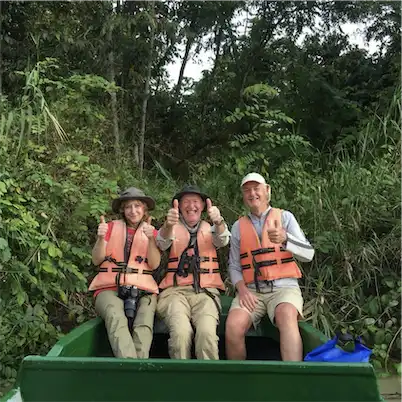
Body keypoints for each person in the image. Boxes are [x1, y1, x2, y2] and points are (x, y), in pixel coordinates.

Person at [225, 173, 315, 361]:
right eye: (247, 190)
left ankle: (292, 375)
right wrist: (241, 290)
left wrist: (286, 239)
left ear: (267, 191)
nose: (252, 193)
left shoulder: (285, 218)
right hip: (251, 291)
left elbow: (309, 254)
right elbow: (234, 266)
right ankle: (239, 379)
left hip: (284, 288)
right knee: (233, 326)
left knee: (286, 315)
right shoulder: (237, 227)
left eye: (256, 188)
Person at [155, 185, 230, 360]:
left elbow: (223, 240)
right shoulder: (171, 226)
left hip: (205, 293)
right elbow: (162, 242)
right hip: (174, 293)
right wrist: (168, 224)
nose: (191, 206)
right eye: (186, 202)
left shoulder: (211, 228)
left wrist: (218, 222)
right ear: (179, 206)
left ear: (203, 206)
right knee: (181, 333)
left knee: (206, 333)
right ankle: (181, 380)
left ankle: (209, 381)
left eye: (195, 202)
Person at [88, 187, 161, 359]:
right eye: (128, 206)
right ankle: (129, 364)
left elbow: (154, 264)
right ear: (122, 209)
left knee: (144, 320)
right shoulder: (110, 228)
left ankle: (138, 364)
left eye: (137, 206)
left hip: (142, 288)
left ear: (144, 210)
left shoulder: (152, 231)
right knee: (115, 315)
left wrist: (151, 239)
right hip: (109, 287)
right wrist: (100, 238)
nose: (133, 211)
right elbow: (97, 260)